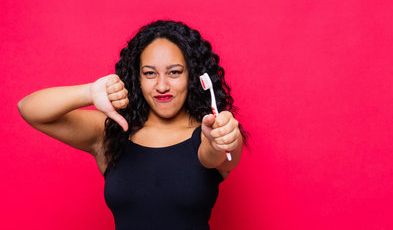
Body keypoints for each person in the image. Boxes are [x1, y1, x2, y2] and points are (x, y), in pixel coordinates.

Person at [18, 20, 247, 230]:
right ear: (137, 78)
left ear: (192, 75)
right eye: (150, 73)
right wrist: (88, 92)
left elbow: (217, 154)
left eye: (174, 72)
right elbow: (30, 109)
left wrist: (222, 139)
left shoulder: (210, 132)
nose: (161, 85)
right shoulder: (113, 131)